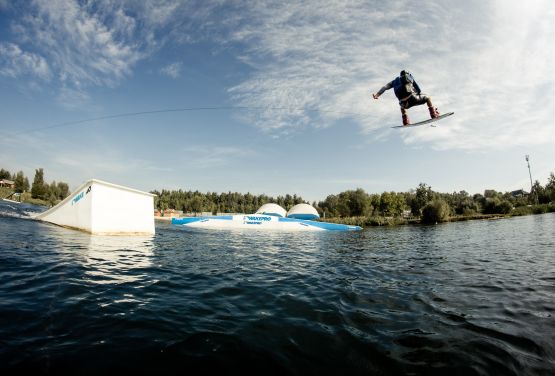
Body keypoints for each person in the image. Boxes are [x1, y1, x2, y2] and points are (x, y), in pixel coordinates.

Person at [373, 70, 440, 126]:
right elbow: (419, 90)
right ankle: (433, 114)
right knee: (428, 98)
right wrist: (416, 93)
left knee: (401, 106)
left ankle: (405, 121)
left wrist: (377, 95)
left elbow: (384, 87)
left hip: (404, 104)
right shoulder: (410, 77)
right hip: (413, 98)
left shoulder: (394, 82)